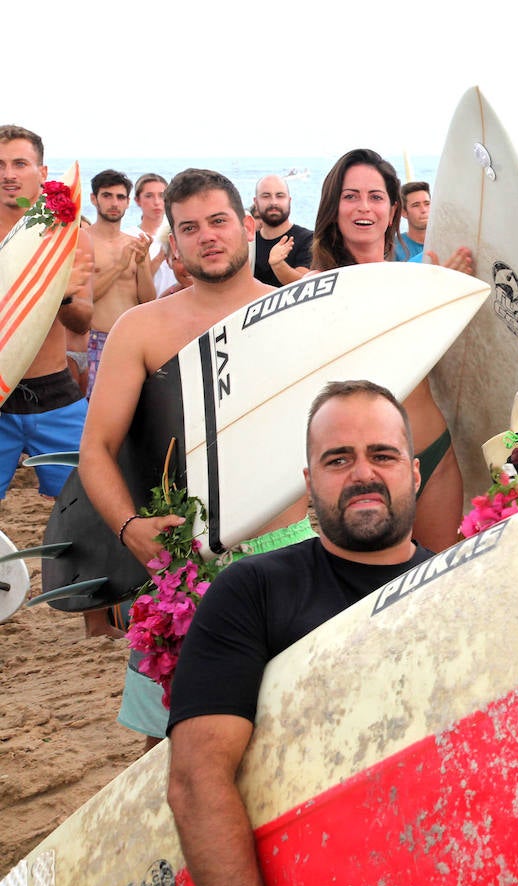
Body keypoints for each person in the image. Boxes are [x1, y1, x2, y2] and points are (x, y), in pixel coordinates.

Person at [167, 379, 433, 886]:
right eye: (339, 460)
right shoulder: (253, 591)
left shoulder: (457, 585)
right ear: (309, 482)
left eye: (383, 454)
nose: (363, 473)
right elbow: (197, 780)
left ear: (415, 471)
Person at [82, 168, 315, 746]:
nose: (207, 236)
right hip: (185, 562)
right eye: (190, 228)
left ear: (246, 225)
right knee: (166, 745)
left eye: (218, 222)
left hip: (289, 552)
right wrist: (130, 527)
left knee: (293, 736)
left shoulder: (297, 314)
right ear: (176, 243)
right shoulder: (142, 329)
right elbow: (97, 450)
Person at [310, 148, 469, 551]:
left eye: (376, 196)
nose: (364, 207)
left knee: (437, 584)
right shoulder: (315, 291)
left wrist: (450, 299)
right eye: (350, 196)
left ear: (393, 208)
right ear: (334, 207)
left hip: (433, 454)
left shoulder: (418, 278)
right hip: (360, 471)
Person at [0, 126, 93, 514]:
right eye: (0, 165)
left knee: (83, 508)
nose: (8, 174)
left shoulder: (69, 235)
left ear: (42, 170)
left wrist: (62, 294)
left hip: (56, 394)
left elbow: (82, 321)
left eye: (20, 163)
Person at [87, 169, 154, 396]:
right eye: (107, 196)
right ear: (93, 199)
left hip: (131, 341)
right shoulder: (82, 241)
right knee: (94, 413)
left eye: (120, 197)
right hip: (95, 340)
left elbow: (147, 301)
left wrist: (142, 263)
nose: (114, 203)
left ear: (128, 203)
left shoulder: (134, 243)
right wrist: (118, 266)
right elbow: (80, 299)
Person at [252, 175, 313, 286]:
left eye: (280, 196)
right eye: (266, 196)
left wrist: (278, 264)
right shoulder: (248, 242)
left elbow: (305, 286)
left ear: (289, 201)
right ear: (256, 203)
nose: (274, 202)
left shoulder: (308, 239)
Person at [133, 173, 176, 295]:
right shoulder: (130, 236)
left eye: (162, 196)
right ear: (137, 200)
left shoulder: (179, 232)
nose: (156, 202)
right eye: (149, 196)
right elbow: (131, 285)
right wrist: (159, 258)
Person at [392, 180, 429, 263]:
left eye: (427, 203)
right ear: (403, 212)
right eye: (416, 205)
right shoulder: (393, 248)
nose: (424, 210)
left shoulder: (447, 242)